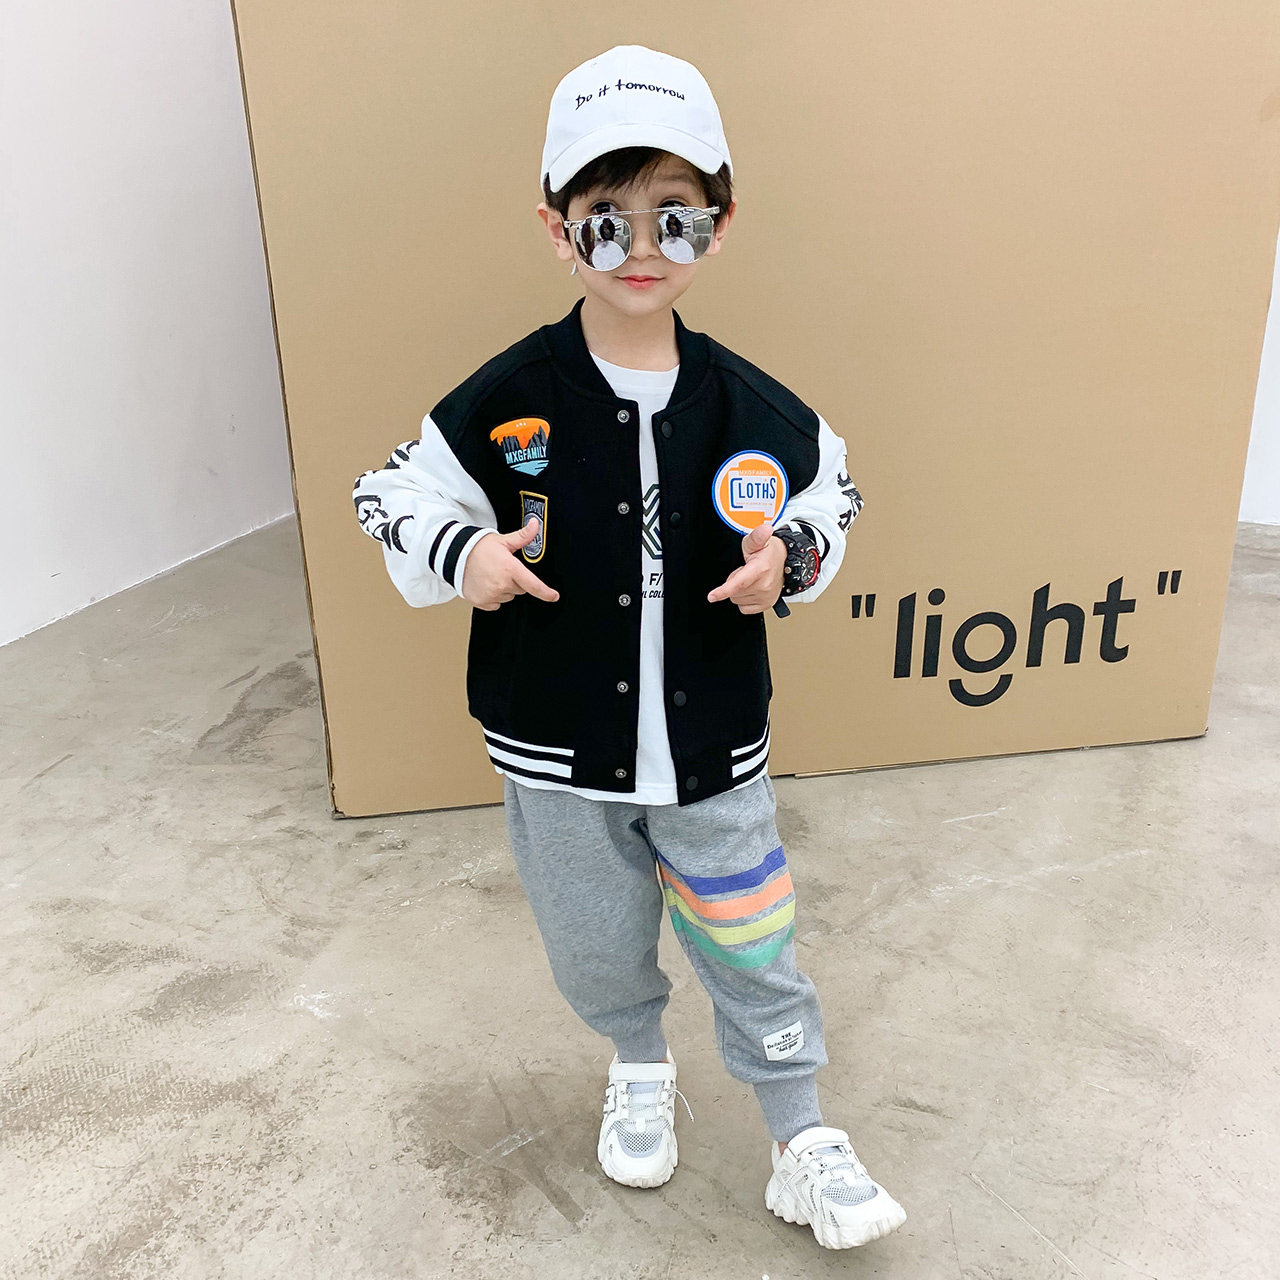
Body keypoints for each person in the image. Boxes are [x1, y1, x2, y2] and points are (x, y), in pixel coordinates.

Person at [351, 44, 906, 1251]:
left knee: (752, 935)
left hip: (712, 747)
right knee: (594, 940)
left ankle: (799, 1133)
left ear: (720, 223)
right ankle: (638, 1062)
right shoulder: (506, 397)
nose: (641, 248)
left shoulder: (754, 407)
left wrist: (789, 556)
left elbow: (835, 493)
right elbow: (387, 491)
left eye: (675, 216)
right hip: (557, 750)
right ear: (557, 231)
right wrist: (463, 552)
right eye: (606, 220)